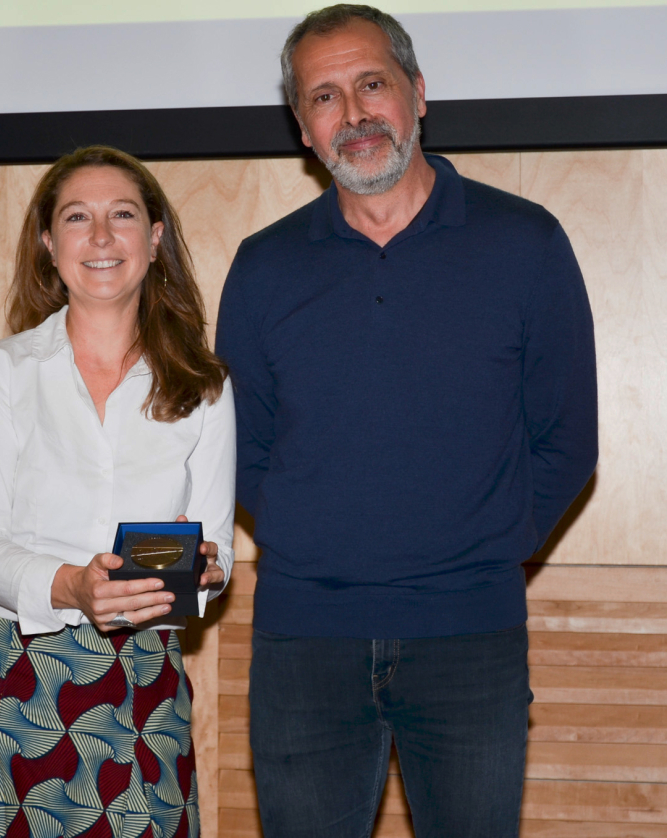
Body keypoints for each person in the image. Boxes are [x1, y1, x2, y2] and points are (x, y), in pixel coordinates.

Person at [215, 5, 597, 837]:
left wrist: (490, 543)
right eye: (323, 96)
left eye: (371, 84)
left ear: (418, 95)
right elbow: (238, 445)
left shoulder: (525, 244)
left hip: (471, 635)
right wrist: (311, 532)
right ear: (303, 127)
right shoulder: (263, 267)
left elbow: (568, 436)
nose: (352, 115)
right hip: (304, 640)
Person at [0, 146, 235, 838]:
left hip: (141, 685)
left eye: (123, 214)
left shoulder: (204, 384)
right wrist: (69, 586)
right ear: (49, 244)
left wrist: (203, 568)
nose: (101, 236)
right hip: (7, 676)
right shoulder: (1, 372)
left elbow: (217, 553)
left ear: (154, 240)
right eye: (77, 217)